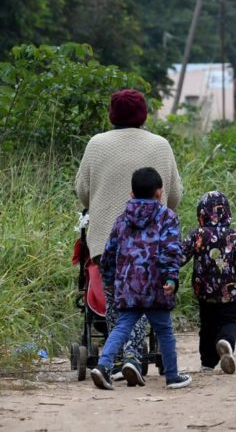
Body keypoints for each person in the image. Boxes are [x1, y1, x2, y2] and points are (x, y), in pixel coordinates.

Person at [75, 89, 182, 384]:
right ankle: (133, 358)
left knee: (118, 301)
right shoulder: (161, 145)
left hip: (106, 241)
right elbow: (174, 196)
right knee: (146, 298)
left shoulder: (96, 144)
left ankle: (123, 358)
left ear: (112, 113)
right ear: (144, 113)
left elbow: (82, 191)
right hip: (153, 248)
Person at [91, 167, 191, 390]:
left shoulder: (122, 219)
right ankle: (173, 376)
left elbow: (109, 253)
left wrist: (108, 280)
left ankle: (103, 365)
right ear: (160, 192)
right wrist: (171, 279)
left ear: (132, 194)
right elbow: (171, 251)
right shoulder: (167, 217)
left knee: (121, 327)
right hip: (156, 286)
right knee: (164, 331)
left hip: (128, 285)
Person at [181, 191, 236, 374]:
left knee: (207, 326)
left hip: (204, 291)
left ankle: (207, 362)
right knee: (229, 320)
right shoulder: (234, 236)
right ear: (227, 212)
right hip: (230, 291)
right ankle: (226, 341)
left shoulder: (197, 235)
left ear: (201, 213)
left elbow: (180, 256)